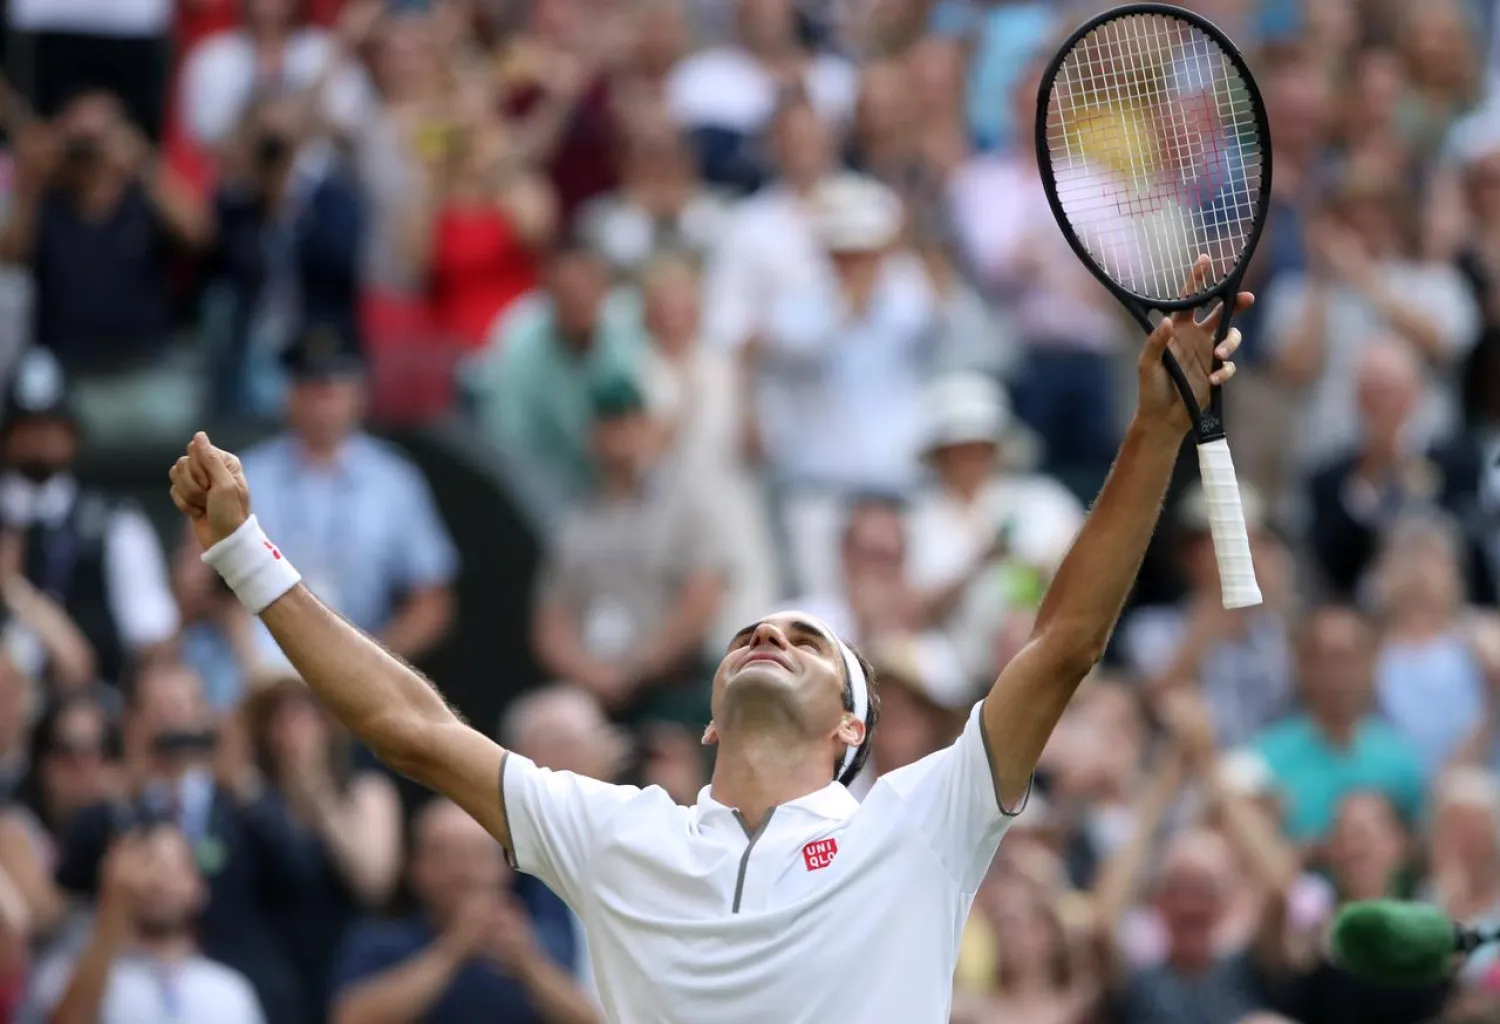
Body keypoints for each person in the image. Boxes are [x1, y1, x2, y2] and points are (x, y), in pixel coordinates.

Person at [168, 260, 1247, 1021]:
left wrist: (1155, 426)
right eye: (752, 632)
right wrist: (245, 555)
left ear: (853, 727)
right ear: (708, 711)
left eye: (806, 639)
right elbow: (410, 728)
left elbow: (1062, 644)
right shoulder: (616, 832)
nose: (769, 632)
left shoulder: (926, 818)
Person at [232, 323, 459, 673]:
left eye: (334, 387)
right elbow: (207, 586)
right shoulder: (246, 475)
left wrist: (374, 661)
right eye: (311, 387)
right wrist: (254, 665)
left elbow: (432, 600)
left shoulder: (393, 479)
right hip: (261, 659)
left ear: (359, 393)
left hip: (363, 654)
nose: (323, 401)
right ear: (289, 393)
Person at [0, 349, 179, 688]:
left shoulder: (113, 521)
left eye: (51, 427)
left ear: (73, 435)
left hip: (94, 710)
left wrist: (15, 591)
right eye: (28, 428)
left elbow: (154, 635)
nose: (40, 440)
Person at [329, 798, 595, 1024]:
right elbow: (350, 1016)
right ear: (415, 869)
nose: (463, 871)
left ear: (505, 869)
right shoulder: (382, 938)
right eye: (444, 855)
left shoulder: (539, 940)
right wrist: (451, 950)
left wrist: (529, 967)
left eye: (477, 855)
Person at [22, 823, 266, 1024]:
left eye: (174, 867)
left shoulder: (230, 991)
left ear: (200, 888)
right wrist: (115, 907)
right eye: (148, 863)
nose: (160, 878)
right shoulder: (70, 973)